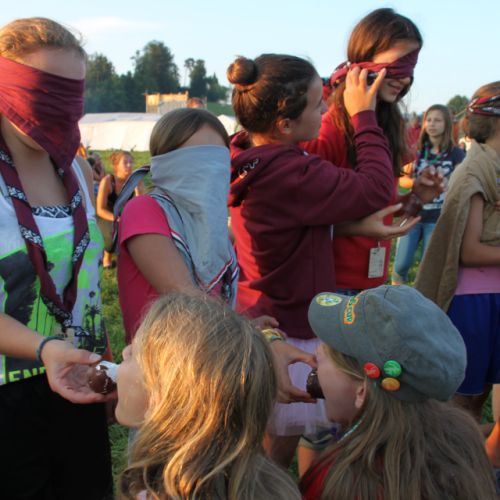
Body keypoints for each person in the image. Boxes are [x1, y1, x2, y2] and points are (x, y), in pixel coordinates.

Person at [226, 52, 424, 468]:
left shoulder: (252, 157)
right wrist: (363, 115)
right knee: (274, 453)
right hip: (290, 324)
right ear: (284, 124)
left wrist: (351, 228)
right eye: (319, 105)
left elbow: (288, 230)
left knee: (266, 444)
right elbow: (375, 189)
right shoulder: (288, 170)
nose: (325, 112)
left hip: (264, 310)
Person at [116, 107, 315, 403]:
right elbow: (188, 299)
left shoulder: (214, 228)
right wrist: (254, 339)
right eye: (194, 159)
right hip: (162, 381)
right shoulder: (144, 209)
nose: (208, 171)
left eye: (217, 160)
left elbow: (215, 301)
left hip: (213, 372)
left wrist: (251, 328)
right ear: (163, 162)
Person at [0, 17, 112, 499]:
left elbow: (86, 286)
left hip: (76, 379)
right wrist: (45, 349)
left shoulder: (77, 170)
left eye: (73, 96)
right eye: (44, 94)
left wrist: (104, 363)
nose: (62, 112)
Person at [301, 285, 497, 499]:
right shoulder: (463, 448)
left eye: (326, 353)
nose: (316, 353)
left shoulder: (336, 483)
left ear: (361, 392)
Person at [302, 8, 442, 296]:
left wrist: (414, 199)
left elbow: (375, 209)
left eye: (411, 66)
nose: (405, 78)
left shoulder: (384, 124)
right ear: (365, 59)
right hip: (332, 284)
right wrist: (357, 228)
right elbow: (301, 220)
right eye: (398, 64)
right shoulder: (330, 128)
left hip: (372, 282)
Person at [116, 293, 302, 499]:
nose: (125, 352)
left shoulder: (156, 493)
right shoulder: (271, 487)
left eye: (134, 354)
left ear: (162, 400)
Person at [415, 82, 500, 421]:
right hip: (474, 301)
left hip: (493, 298)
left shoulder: (493, 168)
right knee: (462, 404)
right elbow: (470, 252)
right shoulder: (474, 173)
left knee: (478, 400)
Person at [392, 104, 465, 284]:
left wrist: (444, 184)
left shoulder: (456, 154)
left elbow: (461, 182)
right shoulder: (415, 151)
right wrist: (418, 183)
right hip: (413, 214)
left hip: (437, 218)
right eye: (429, 120)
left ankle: (420, 298)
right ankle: (395, 294)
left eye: (437, 120)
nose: (432, 124)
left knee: (427, 267)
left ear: (446, 124)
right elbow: (402, 180)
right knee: (401, 265)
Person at [96, 150, 142, 268]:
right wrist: (117, 219)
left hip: (126, 215)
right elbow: (100, 209)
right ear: (116, 166)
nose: (129, 165)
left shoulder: (136, 181)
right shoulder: (107, 181)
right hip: (107, 215)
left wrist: (137, 191)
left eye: (131, 162)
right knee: (113, 232)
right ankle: (107, 256)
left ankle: (133, 256)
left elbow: (141, 207)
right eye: (125, 162)